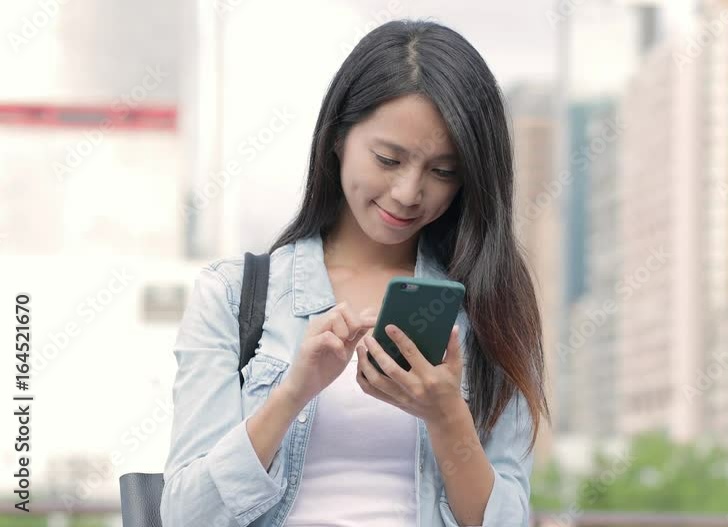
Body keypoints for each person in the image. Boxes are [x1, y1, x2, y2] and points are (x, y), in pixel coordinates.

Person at [159, 18, 549, 527]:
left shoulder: (489, 306)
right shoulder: (234, 296)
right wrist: (293, 393)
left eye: (442, 171)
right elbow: (185, 515)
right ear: (338, 137)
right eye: (388, 159)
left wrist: (447, 416)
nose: (408, 193)